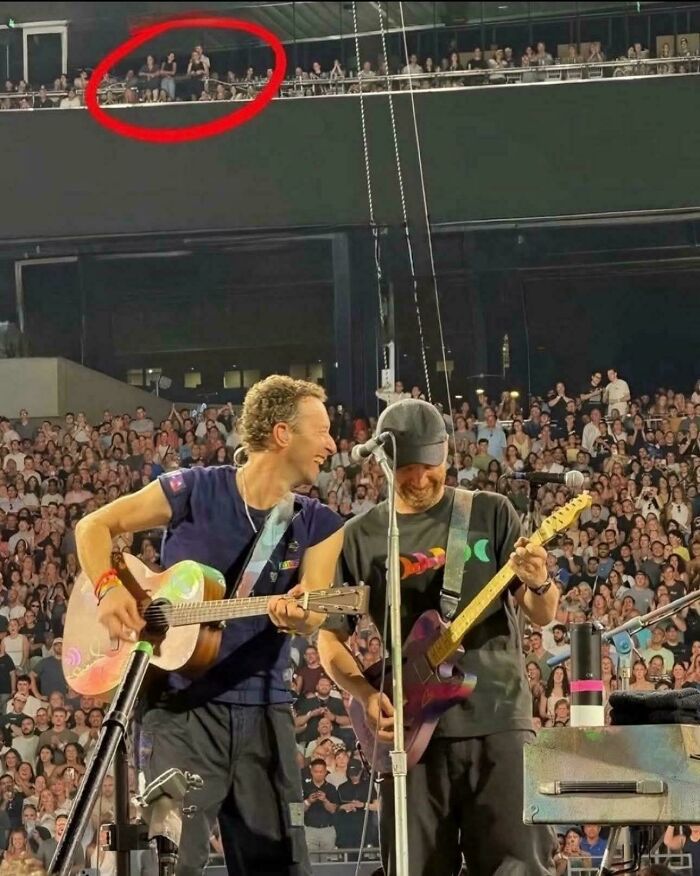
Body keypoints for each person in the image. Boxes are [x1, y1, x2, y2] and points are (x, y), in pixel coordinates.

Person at [75, 375, 344, 876]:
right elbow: (92, 527)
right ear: (282, 434)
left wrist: (300, 615)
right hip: (178, 711)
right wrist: (109, 588)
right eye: (322, 430)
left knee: (279, 867)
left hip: (265, 711)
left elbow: (315, 609)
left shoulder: (319, 522)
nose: (333, 443)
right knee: (168, 864)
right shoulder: (193, 488)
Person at [319, 398, 558, 874]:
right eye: (409, 468)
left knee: (520, 865)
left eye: (433, 466)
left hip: (499, 719)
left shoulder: (490, 512)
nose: (423, 478)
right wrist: (366, 695)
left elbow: (542, 613)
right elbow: (330, 640)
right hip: (413, 736)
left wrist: (539, 581)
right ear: (385, 465)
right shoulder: (361, 536)